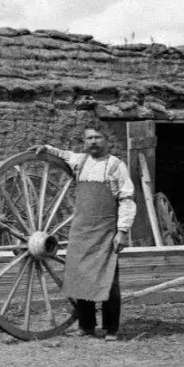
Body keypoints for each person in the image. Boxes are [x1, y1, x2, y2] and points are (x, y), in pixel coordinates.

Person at [29, 125, 136, 341]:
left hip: (106, 231)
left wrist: (122, 231)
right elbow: (63, 154)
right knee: (80, 278)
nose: (93, 142)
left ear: (106, 141)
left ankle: (111, 328)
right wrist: (46, 148)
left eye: (98, 138)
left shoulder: (116, 166)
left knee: (108, 281)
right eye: (89, 139)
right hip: (81, 230)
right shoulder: (80, 161)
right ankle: (87, 326)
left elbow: (126, 199)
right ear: (84, 142)